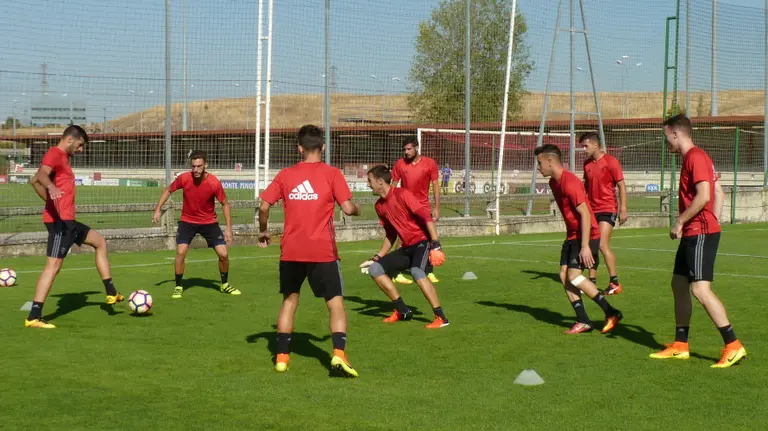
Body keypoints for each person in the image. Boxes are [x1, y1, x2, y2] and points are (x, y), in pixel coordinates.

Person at [258, 124, 362, 377]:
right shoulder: (332, 174)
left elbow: (263, 205)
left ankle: (281, 358)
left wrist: (263, 230)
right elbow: (348, 209)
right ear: (323, 147)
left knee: (289, 302)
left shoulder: (285, 175)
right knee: (335, 304)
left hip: (291, 251)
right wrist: (357, 208)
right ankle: (338, 355)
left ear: (299, 148)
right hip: (322, 251)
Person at [650, 114, 746, 368]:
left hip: (699, 232)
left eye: (665, 136)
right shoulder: (694, 158)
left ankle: (733, 344)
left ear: (675, 133)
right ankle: (680, 345)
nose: (665, 142)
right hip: (698, 230)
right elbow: (720, 193)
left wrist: (683, 221)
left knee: (699, 289)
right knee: (678, 283)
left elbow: (704, 196)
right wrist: (710, 221)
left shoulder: (695, 157)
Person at [25, 125, 124, 329]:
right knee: (53, 266)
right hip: (60, 223)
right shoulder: (55, 153)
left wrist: (51, 200)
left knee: (100, 242)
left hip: (68, 221)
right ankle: (34, 316)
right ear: (69, 139)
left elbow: (33, 181)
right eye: (79, 146)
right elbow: (41, 176)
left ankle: (111, 292)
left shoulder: (63, 158)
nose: (80, 150)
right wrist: (51, 189)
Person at [534, 144, 623, 335]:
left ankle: (611, 312)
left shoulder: (570, 182)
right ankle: (583, 320)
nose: (538, 167)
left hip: (587, 235)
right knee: (564, 277)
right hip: (572, 235)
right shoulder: (553, 183)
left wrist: (584, 246)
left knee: (574, 277)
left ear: (550, 161)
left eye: (539, 162)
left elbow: (585, 214)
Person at [360, 165, 449, 329]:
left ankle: (441, 317)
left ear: (380, 181)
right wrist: (377, 258)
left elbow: (426, 217)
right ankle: (402, 310)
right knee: (375, 270)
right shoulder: (379, 206)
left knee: (416, 272)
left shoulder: (403, 194)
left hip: (422, 242)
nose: (368, 184)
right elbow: (390, 235)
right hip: (406, 248)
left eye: (370, 180)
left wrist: (435, 244)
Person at [153, 150, 239, 299]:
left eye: (199, 166)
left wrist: (228, 229)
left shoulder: (214, 182)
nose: (196, 170)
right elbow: (168, 190)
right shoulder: (184, 178)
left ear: (205, 165)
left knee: (223, 254)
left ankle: (224, 284)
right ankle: (179, 286)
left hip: (209, 222)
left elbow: (225, 204)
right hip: (187, 221)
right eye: (193, 166)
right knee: (180, 252)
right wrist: (158, 209)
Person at [580, 132, 627, 295]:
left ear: (595, 145)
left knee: (601, 244)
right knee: (592, 245)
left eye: (585, 146)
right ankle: (591, 282)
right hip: (592, 210)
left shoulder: (611, 162)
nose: (583, 149)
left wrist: (623, 208)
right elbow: (585, 187)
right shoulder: (586, 164)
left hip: (608, 208)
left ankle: (614, 282)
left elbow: (621, 185)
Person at [390, 136, 440, 284]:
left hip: (423, 207)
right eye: (404, 149)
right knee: (402, 239)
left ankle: (428, 271)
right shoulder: (400, 164)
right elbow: (393, 186)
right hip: (405, 208)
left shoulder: (430, 163)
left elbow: (436, 187)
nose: (406, 152)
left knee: (430, 239)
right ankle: (395, 272)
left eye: (409, 149)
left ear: (417, 148)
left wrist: (437, 208)